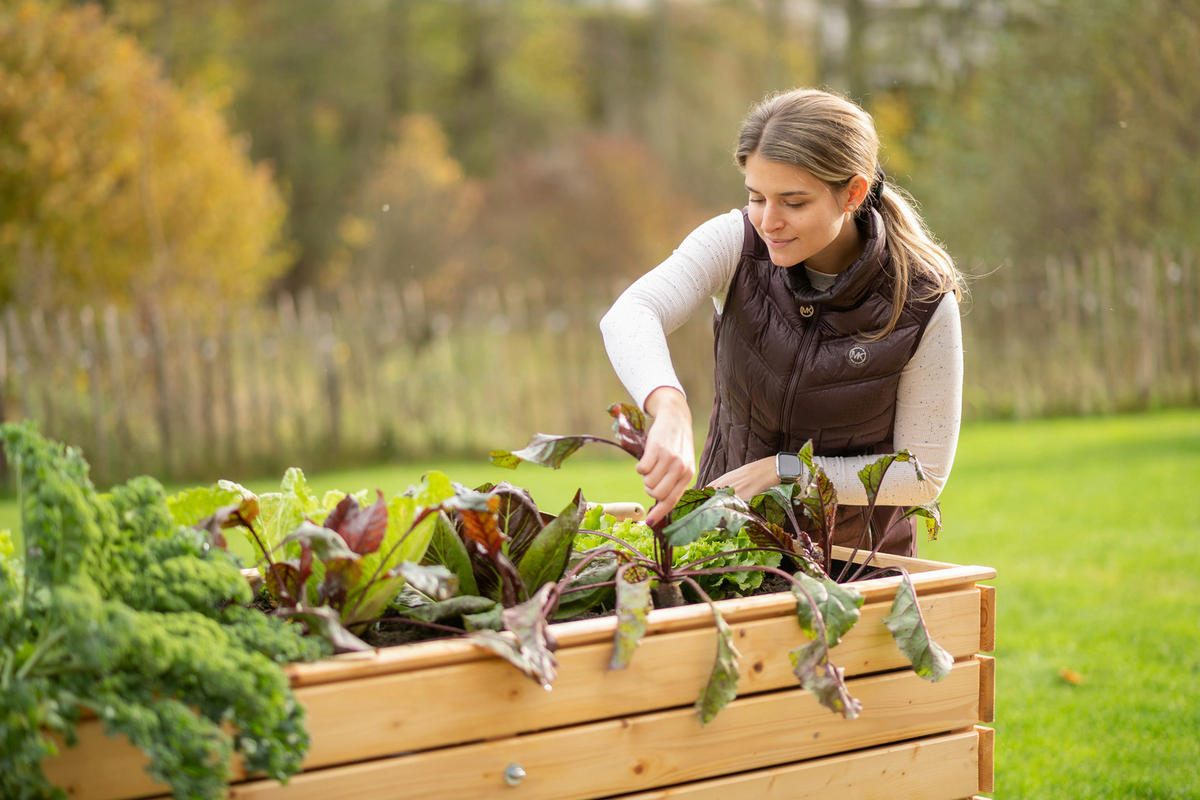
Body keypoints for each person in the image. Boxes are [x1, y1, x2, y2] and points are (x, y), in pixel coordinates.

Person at [599, 88, 964, 557]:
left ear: (852, 192)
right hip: (720, 552)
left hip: (852, 569)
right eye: (757, 197)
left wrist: (786, 470)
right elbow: (631, 314)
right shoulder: (736, 242)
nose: (768, 221)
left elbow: (922, 474)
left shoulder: (922, 299)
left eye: (793, 202)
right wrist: (668, 407)